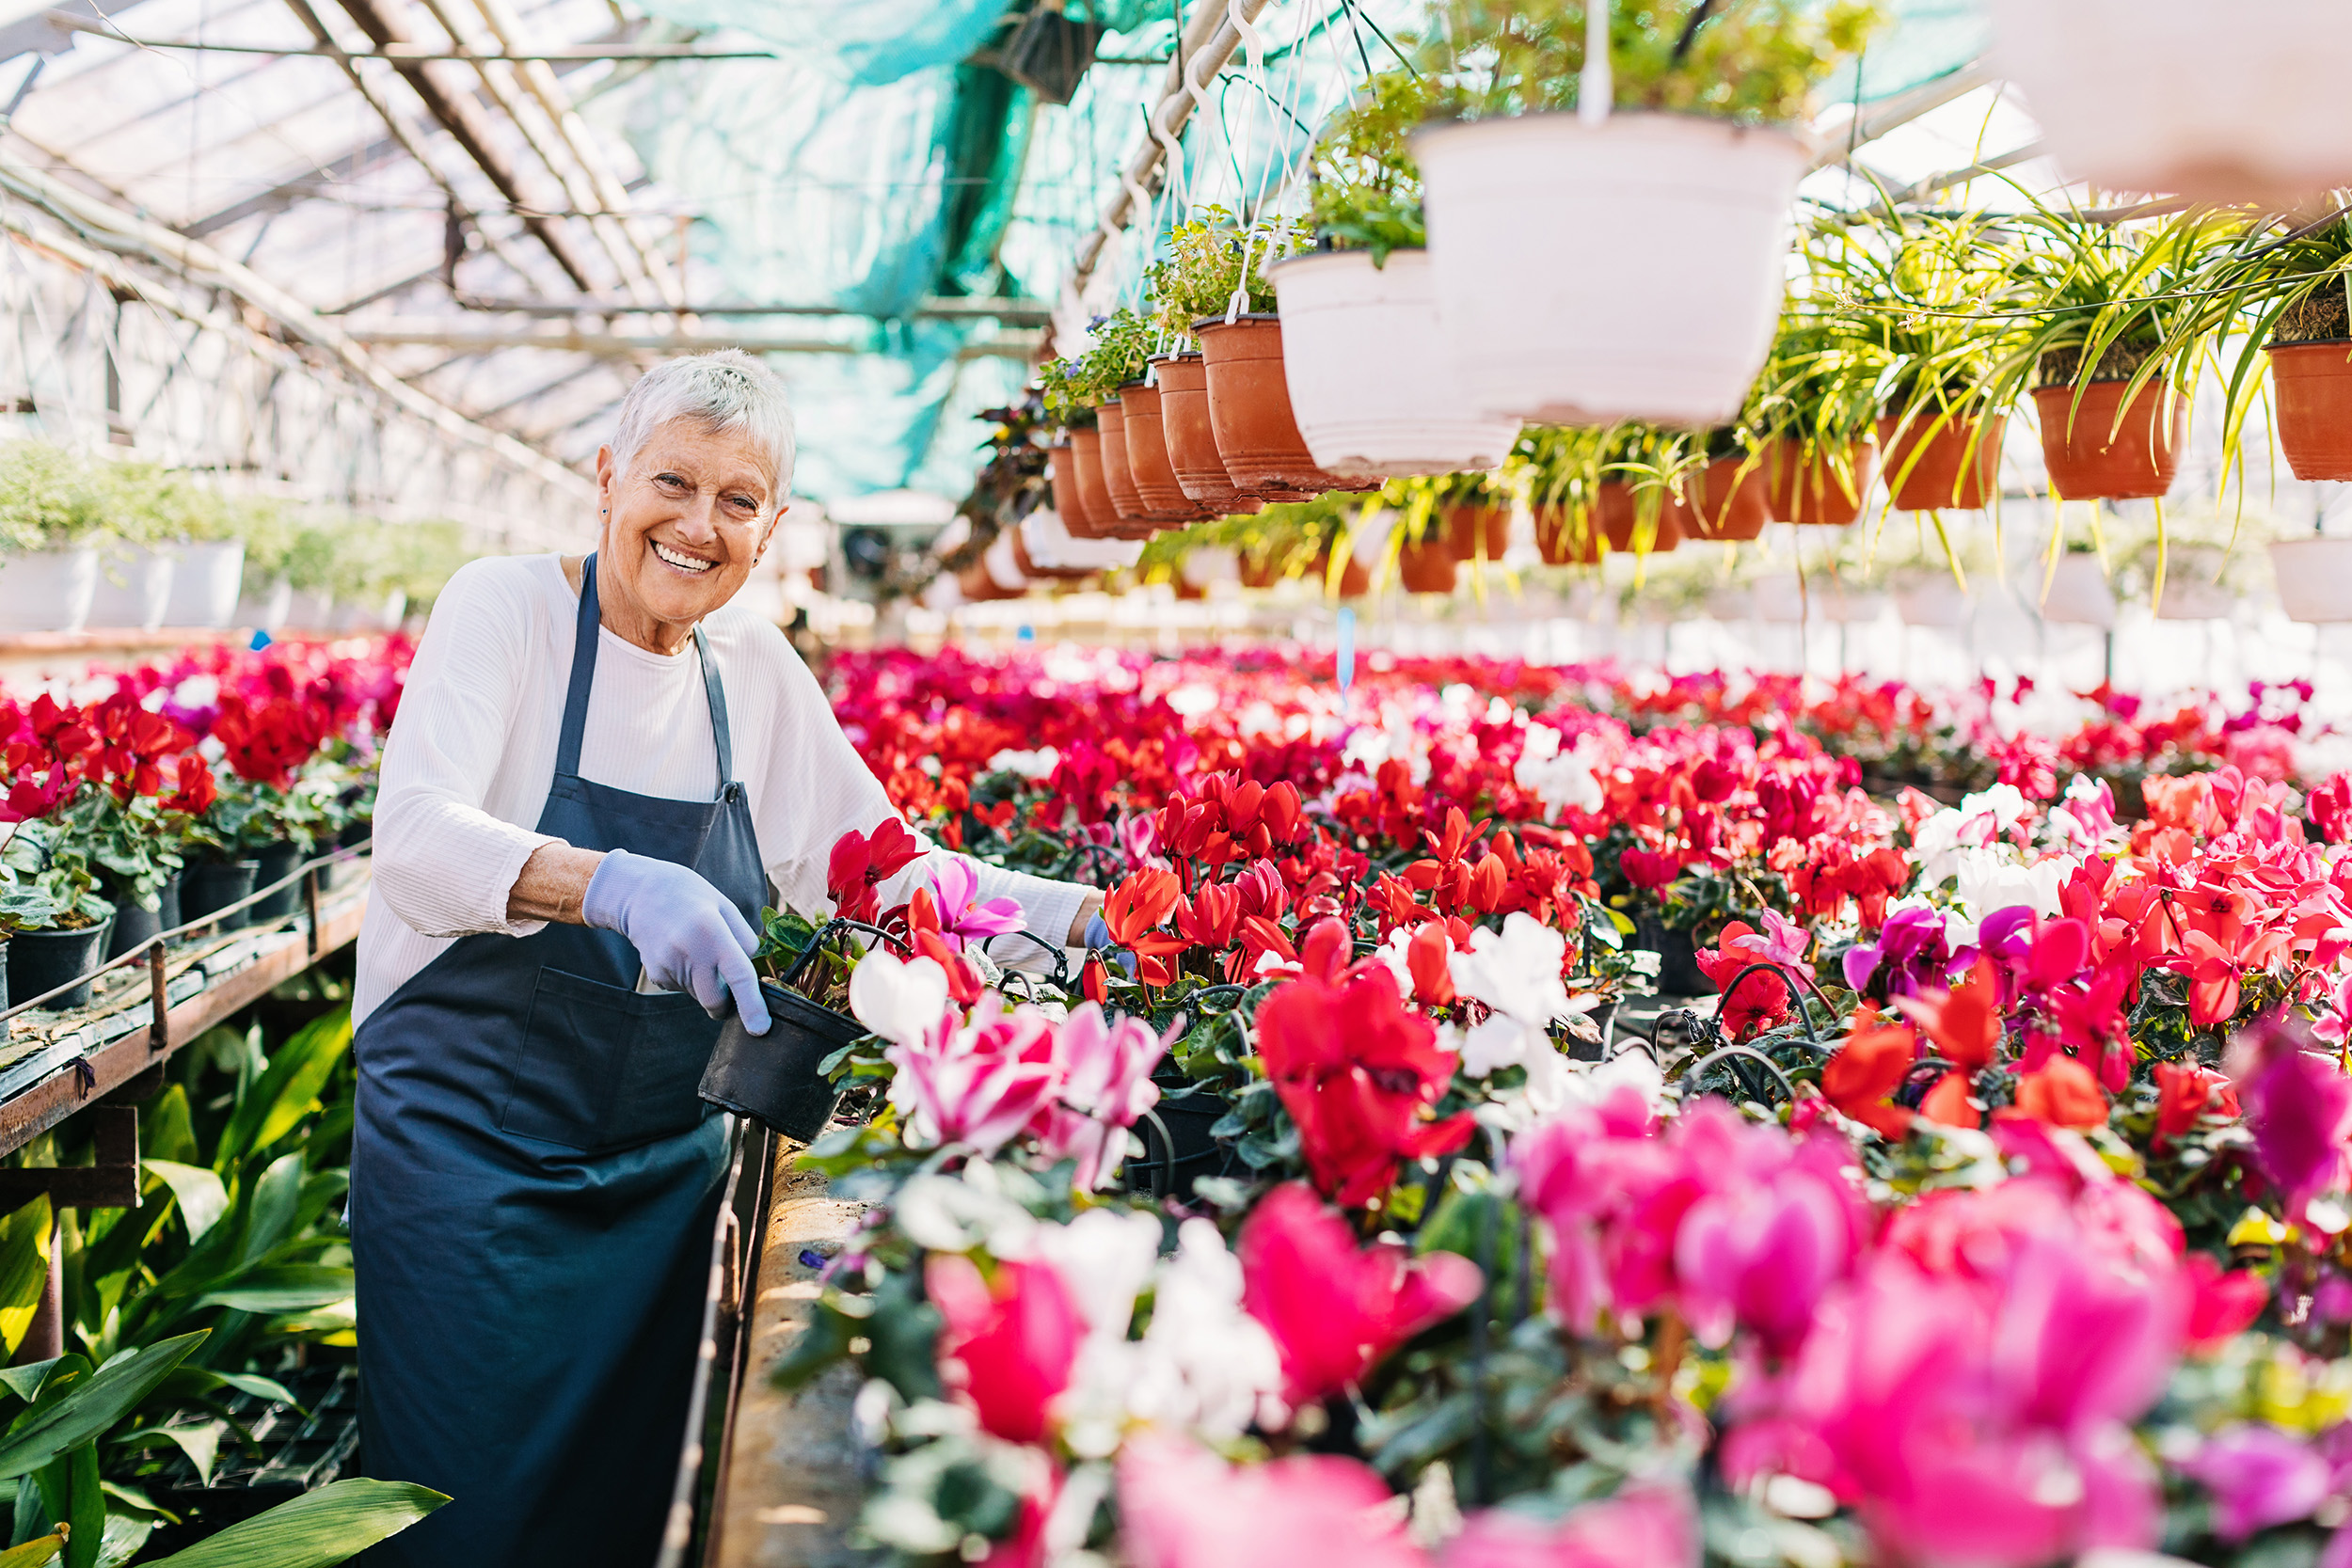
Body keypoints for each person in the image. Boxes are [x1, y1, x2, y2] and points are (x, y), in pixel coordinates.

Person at [348, 351, 1101, 1567]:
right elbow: (416, 843)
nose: (698, 525)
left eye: (738, 501)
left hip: (658, 1183)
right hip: (468, 1174)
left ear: (775, 527)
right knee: (461, 1518)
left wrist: (1082, 919)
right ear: (606, 478)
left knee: (642, 1508)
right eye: (672, 481)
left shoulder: (747, 672)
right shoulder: (509, 611)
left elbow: (884, 868)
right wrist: (611, 882)